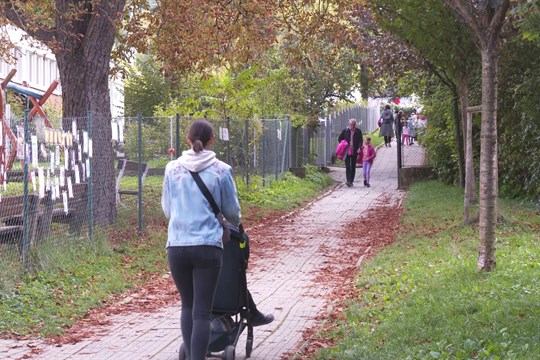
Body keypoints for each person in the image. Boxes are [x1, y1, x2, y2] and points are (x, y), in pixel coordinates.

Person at [161, 119, 272, 360]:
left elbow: (168, 210)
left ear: (187, 139)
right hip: (208, 247)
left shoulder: (172, 169)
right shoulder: (221, 170)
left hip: (177, 246)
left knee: (187, 306)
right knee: (202, 312)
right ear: (212, 140)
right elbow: (232, 212)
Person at [338, 118, 363, 187]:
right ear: (349, 124)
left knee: (353, 166)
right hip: (347, 151)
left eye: (354, 125)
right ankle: (348, 180)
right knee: (348, 166)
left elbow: (360, 141)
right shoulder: (345, 131)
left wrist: (359, 148)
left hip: (354, 151)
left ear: (355, 125)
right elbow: (340, 138)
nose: (352, 126)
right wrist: (343, 143)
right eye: (351, 125)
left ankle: (351, 181)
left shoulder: (358, 131)